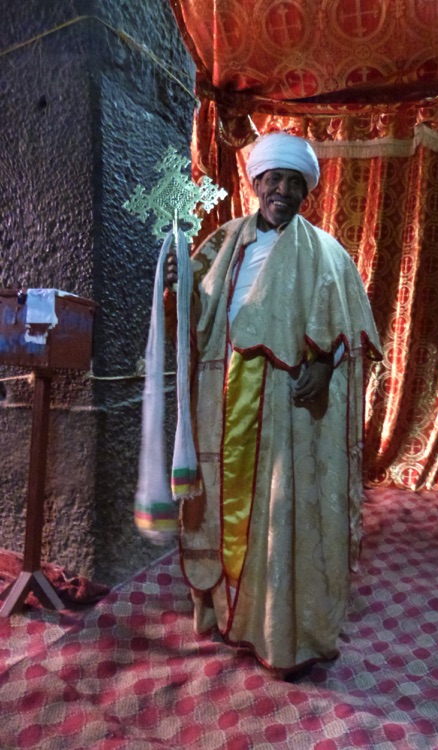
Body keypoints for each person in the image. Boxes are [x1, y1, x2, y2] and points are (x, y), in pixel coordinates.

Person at [164, 132, 381, 675]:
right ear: (256, 183)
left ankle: (279, 629)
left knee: (279, 516)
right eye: (273, 180)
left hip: (286, 409)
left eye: (293, 182)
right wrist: (177, 284)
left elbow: (350, 331)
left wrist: (325, 366)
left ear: (305, 191)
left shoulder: (326, 252)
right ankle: (225, 612)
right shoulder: (223, 242)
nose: (282, 190)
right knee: (220, 506)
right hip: (223, 400)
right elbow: (199, 313)